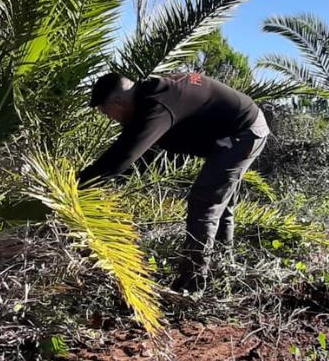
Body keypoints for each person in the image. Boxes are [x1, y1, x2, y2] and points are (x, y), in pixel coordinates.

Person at [77, 71, 270, 292]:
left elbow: (122, 157)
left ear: (118, 101)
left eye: (106, 112)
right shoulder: (150, 96)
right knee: (220, 204)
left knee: (205, 202)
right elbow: (132, 144)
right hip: (234, 131)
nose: (109, 118)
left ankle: (193, 283)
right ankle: (222, 270)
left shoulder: (156, 106)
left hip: (243, 132)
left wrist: (79, 184)